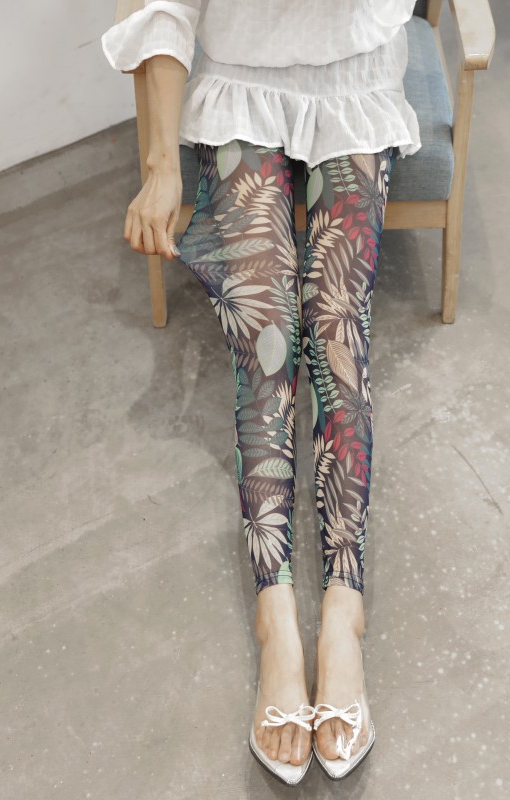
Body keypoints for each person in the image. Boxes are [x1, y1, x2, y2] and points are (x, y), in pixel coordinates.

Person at [101, 0, 421, 783]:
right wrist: (161, 164)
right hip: (239, 80)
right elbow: (164, 6)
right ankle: (275, 615)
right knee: (266, 336)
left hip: (353, 75)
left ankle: (343, 609)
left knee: (336, 327)